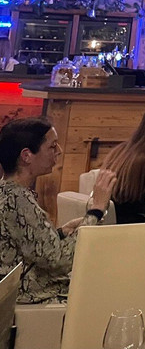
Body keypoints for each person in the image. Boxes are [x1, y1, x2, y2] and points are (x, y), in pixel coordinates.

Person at [0, 116, 117, 303]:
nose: (59, 151)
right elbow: (59, 261)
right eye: (52, 146)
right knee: (110, 290)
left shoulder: (7, 190)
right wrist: (96, 210)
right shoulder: (17, 199)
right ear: (26, 156)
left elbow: (33, 247)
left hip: (27, 290)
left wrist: (61, 233)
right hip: (30, 297)